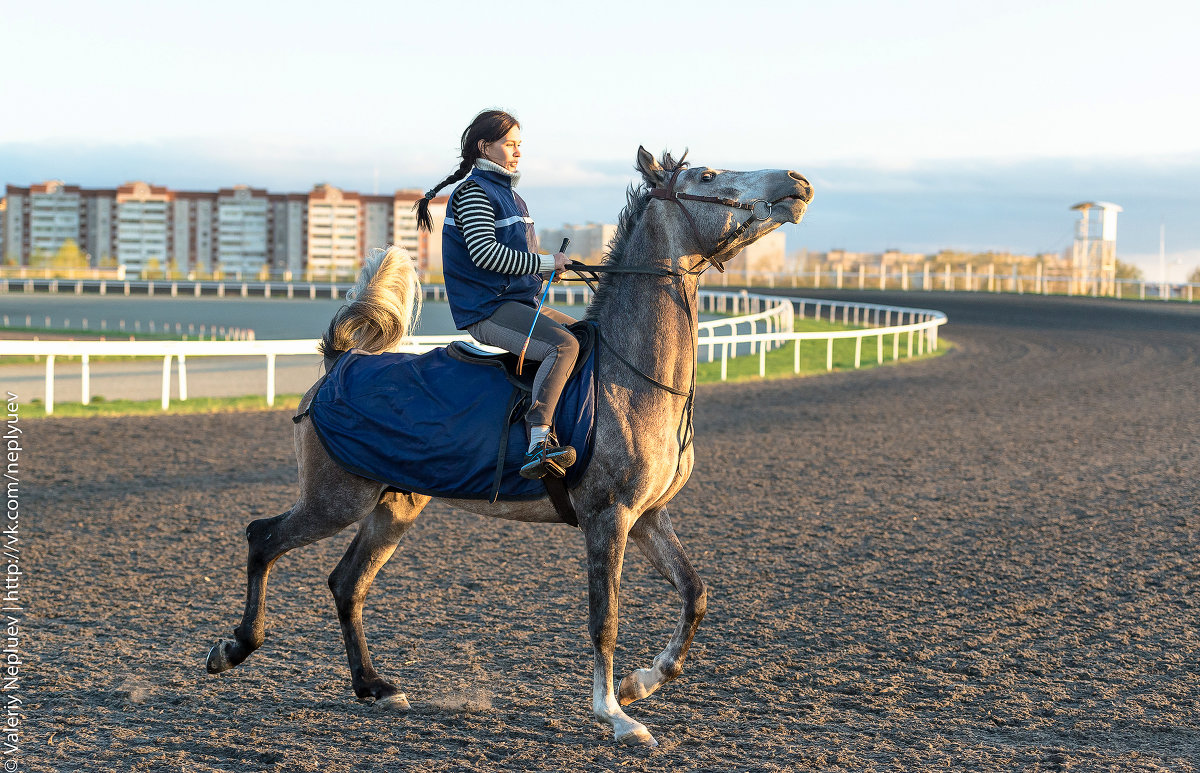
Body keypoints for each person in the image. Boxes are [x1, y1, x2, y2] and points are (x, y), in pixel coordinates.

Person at [415, 109, 578, 480]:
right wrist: (546, 263)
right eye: (509, 144)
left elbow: (520, 261)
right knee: (563, 347)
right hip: (487, 310)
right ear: (484, 147)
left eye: (520, 145)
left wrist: (551, 268)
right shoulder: (472, 193)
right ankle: (538, 442)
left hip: (520, 304)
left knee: (588, 334)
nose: (517, 152)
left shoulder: (514, 199)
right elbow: (486, 254)